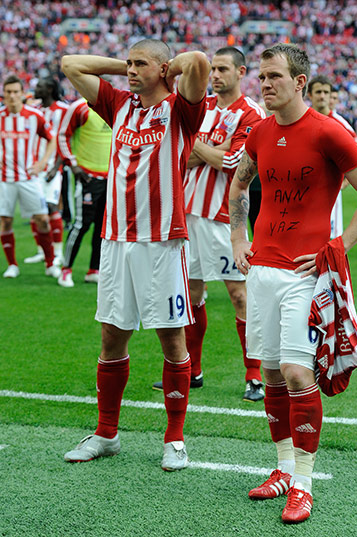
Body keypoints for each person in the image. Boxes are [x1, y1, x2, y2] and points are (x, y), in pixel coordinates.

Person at [229, 43, 357, 523]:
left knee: (299, 374)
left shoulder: (327, 132)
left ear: (299, 82)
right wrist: (238, 238)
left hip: (307, 275)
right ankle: (280, 468)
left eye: (273, 76)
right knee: (272, 373)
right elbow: (238, 188)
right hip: (263, 271)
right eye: (261, 77)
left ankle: (304, 483)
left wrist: (334, 250)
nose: (264, 84)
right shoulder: (258, 132)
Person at [61, 40, 210, 470]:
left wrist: (166, 72)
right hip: (115, 241)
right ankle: (107, 434)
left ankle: (175, 438)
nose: (129, 71)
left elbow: (197, 61)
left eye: (138, 64)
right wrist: (127, 66)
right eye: (127, 64)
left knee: (171, 337)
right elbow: (71, 63)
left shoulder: (183, 108)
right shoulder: (118, 104)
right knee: (112, 336)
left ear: (163, 69)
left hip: (162, 241)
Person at [153, 47, 266, 402]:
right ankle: (194, 370)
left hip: (222, 219)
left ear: (241, 72)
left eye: (222, 69)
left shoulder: (251, 113)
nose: (214, 75)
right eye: (212, 69)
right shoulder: (201, 107)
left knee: (239, 295)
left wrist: (200, 148)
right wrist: (207, 151)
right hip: (187, 215)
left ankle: (253, 376)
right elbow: (178, 158)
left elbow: (235, 162)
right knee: (192, 295)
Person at [0, 75, 61, 279]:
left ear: (21, 93)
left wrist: (43, 161)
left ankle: (50, 264)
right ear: (4, 94)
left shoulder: (34, 116)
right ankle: (12, 265)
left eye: (16, 92)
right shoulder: (0, 116)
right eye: (8, 92)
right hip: (4, 179)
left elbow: (52, 139)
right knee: (5, 221)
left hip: (29, 177)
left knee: (43, 219)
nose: (12, 96)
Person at [56, 97, 112, 287]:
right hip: (87, 177)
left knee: (103, 228)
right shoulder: (79, 107)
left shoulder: (117, 105)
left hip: (111, 178)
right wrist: (72, 164)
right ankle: (66, 269)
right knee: (81, 224)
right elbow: (62, 135)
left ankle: (93, 270)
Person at [308, 75, 357, 238]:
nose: (322, 96)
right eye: (318, 92)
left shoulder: (339, 122)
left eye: (325, 92)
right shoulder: (303, 118)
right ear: (310, 95)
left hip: (328, 193)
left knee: (327, 240)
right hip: (303, 189)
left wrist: (344, 183)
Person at [24, 77, 69, 266]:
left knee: (51, 207)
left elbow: (67, 138)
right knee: (36, 210)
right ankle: (42, 251)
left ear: (49, 89)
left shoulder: (64, 110)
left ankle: (57, 252)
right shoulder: (36, 111)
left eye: (40, 86)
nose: (36, 89)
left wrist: (58, 164)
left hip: (53, 167)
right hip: (35, 168)